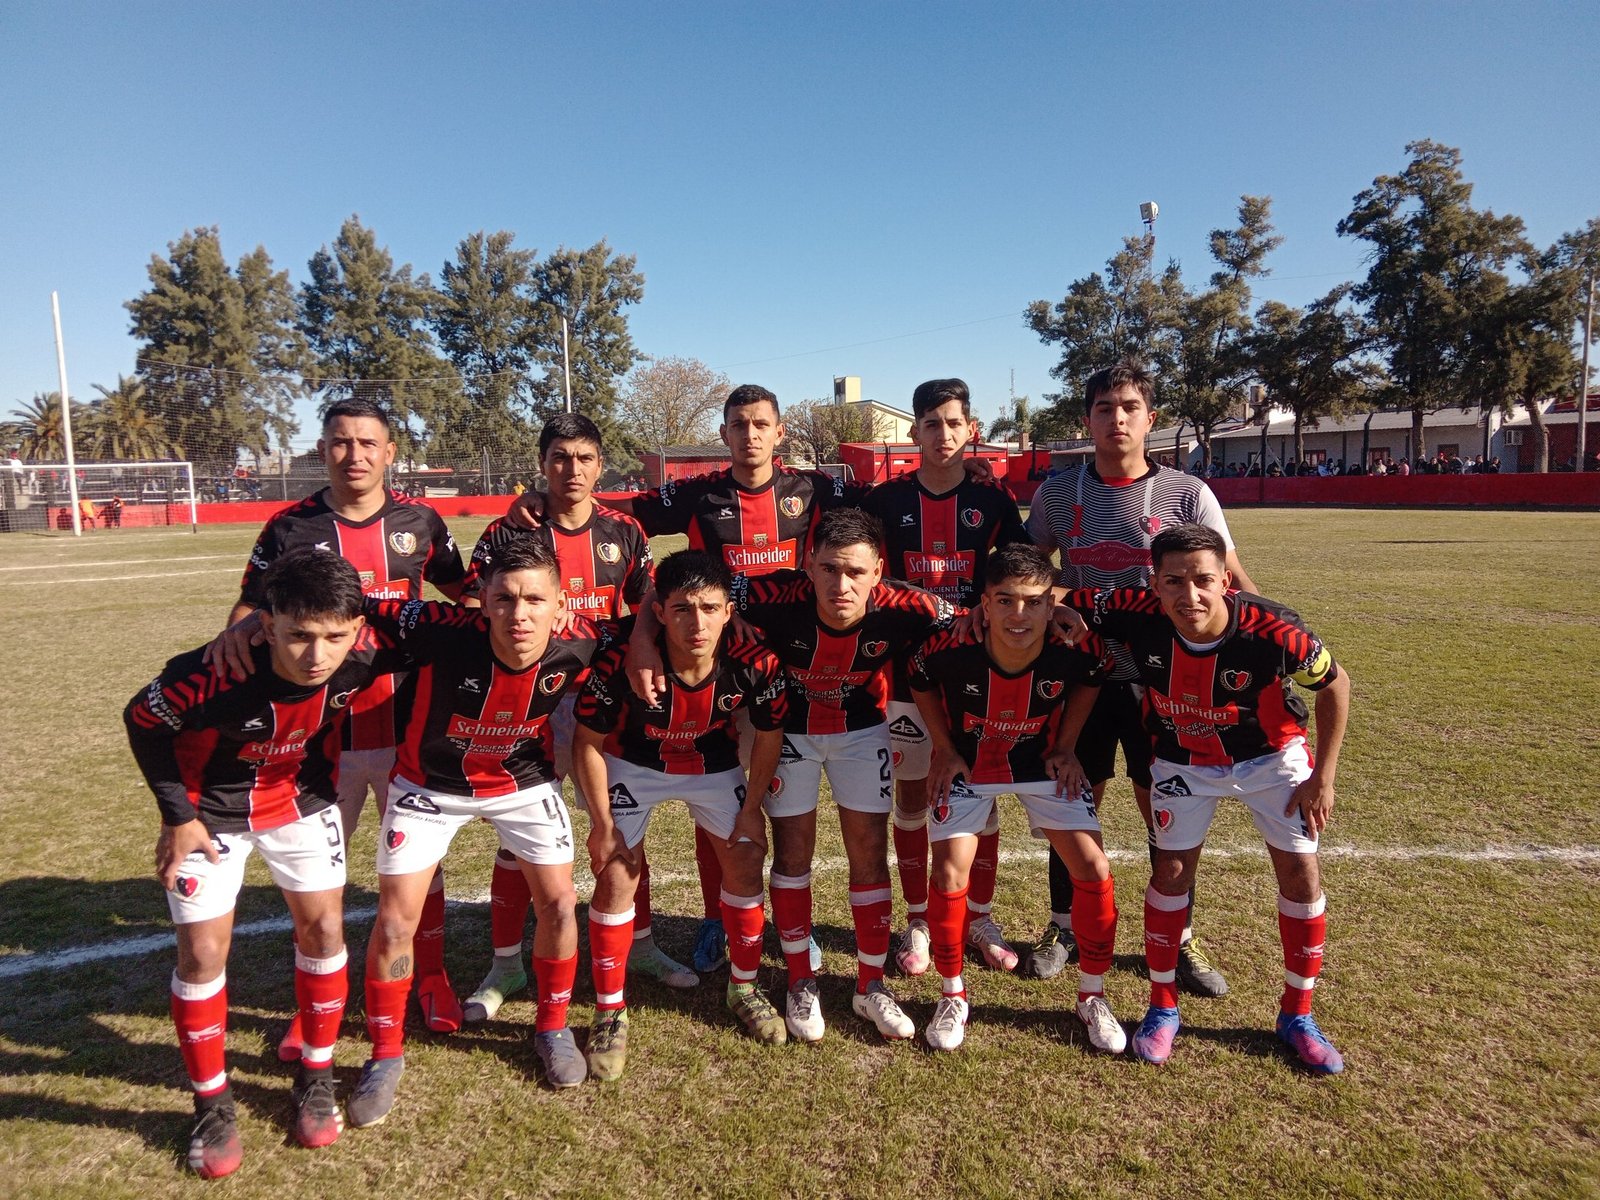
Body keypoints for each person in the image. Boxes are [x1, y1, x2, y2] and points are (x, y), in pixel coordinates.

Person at [506, 384, 864, 977]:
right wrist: (540, 502)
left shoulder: (815, 489)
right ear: (724, 434)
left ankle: (778, 923)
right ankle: (715, 921)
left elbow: (888, 507)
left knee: (769, 804)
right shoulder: (699, 495)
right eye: (738, 425)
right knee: (717, 792)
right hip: (712, 666)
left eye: (760, 425)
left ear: (780, 433)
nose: (749, 435)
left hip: (787, 668)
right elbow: (611, 509)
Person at [124, 550, 405, 1178]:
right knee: (201, 954)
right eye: (299, 636)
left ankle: (316, 1073)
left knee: (326, 930)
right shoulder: (210, 673)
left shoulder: (366, 650)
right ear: (268, 622)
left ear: (355, 630)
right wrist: (177, 817)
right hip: (211, 813)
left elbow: (433, 626)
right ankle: (213, 1102)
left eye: (334, 636)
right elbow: (141, 721)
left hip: (301, 803)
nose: (317, 655)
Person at [211, 397, 467, 1055]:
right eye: (341, 442)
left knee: (419, 862)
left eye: (367, 443)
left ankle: (431, 976)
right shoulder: (290, 526)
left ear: (389, 452)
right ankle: (315, 1003)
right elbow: (250, 601)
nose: (354, 455)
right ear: (323, 448)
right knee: (318, 876)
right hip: (318, 736)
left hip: (408, 724)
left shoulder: (421, 521)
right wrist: (238, 631)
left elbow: (465, 591)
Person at [1063, 523, 1351, 1073]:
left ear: (1226, 580)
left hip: (1272, 758)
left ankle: (1298, 1014)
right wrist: (1058, 613)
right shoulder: (1132, 607)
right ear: (1154, 582)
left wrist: (1324, 777)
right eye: (1173, 581)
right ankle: (1162, 1006)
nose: (1189, 595)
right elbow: (1050, 595)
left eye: (1202, 580)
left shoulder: (1275, 630)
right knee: (1170, 871)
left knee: (1301, 872)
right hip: (1181, 758)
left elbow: (1336, 683)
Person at [348, 535, 610, 1123]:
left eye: (535, 600)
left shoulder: (584, 639)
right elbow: (357, 602)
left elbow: (646, 631)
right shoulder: (437, 626)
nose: (520, 614)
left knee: (563, 907)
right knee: (394, 920)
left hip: (522, 783)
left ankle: (552, 1027)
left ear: (561, 601)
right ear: (483, 600)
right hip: (428, 787)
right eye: (506, 599)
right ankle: (385, 1054)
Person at [1024, 360, 1257, 995]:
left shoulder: (1188, 494)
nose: (1117, 418)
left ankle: (1178, 937)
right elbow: (1027, 569)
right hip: (1084, 676)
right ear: (1088, 420)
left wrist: (1265, 645)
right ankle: (1063, 925)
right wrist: (1058, 601)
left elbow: (1230, 579)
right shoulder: (1059, 492)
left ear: (1151, 419)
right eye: (1105, 408)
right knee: (1073, 795)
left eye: (1129, 407)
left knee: (1168, 805)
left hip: (1170, 680)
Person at [459, 414, 687, 1019]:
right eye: (561, 457)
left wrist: (638, 647)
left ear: (600, 464)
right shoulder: (510, 532)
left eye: (585, 458)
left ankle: (638, 945)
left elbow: (648, 609)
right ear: (542, 463)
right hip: (529, 706)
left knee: (621, 830)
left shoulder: (625, 531)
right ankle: (505, 965)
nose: (573, 470)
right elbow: (468, 600)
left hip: (606, 705)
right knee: (517, 842)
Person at [733, 508, 955, 1042]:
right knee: (792, 851)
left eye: (856, 572)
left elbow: (984, 617)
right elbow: (683, 592)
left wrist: (1063, 615)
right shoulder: (767, 595)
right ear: (808, 566)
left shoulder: (911, 604)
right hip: (788, 734)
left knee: (868, 851)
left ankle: (871, 984)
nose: (841, 583)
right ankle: (801, 980)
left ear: (879, 572)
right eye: (829, 569)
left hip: (862, 732)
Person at [572, 551, 791, 1071]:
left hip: (712, 764)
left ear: (728, 609)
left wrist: (752, 806)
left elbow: (769, 735)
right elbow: (587, 741)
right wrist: (602, 825)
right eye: (683, 609)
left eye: (710, 608)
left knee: (743, 858)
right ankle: (609, 1012)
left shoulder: (757, 659)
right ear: (659, 611)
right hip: (635, 763)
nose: (697, 623)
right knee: (616, 872)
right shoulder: (618, 656)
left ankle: (743, 987)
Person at [909, 545, 1126, 1052]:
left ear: (1053, 604)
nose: (1019, 615)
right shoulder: (949, 647)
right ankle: (952, 994)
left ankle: (1092, 995)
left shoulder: (1077, 647)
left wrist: (1068, 746)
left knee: (1093, 868)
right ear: (984, 603)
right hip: (970, 764)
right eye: (1005, 601)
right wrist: (942, 747)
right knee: (947, 875)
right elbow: (919, 678)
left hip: (1040, 764)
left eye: (1033, 601)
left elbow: (1095, 678)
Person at [858, 378, 1030, 977]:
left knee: (980, 797)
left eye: (954, 423)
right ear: (914, 432)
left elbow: (1022, 574)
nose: (943, 434)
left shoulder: (996, 502)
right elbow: (864, 576)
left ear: (971, 430)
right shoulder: (883, 502)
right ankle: (918, 921)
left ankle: (979, 916)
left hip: (977, 674)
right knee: (912, 796)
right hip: (903, 675)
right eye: (932, 423)